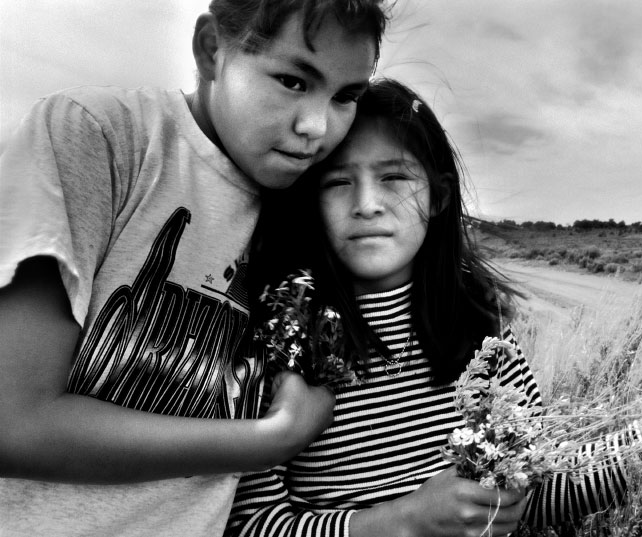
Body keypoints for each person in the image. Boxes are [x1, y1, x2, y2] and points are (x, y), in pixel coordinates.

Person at [227, 78, 642, 537]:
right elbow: (250, 524)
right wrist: (400, 522)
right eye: (337, 182)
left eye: (394, 178)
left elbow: (535, 491)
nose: (367, 203)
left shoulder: (481, 338)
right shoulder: (281, 339)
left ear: (438, 196)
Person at [0, 1, 388, 535]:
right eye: (293, 80)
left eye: (346, 96)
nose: (316, 127)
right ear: (212, 50)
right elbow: (12, 423)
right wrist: (271, 439)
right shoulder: (99, 136)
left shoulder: (307, 211)